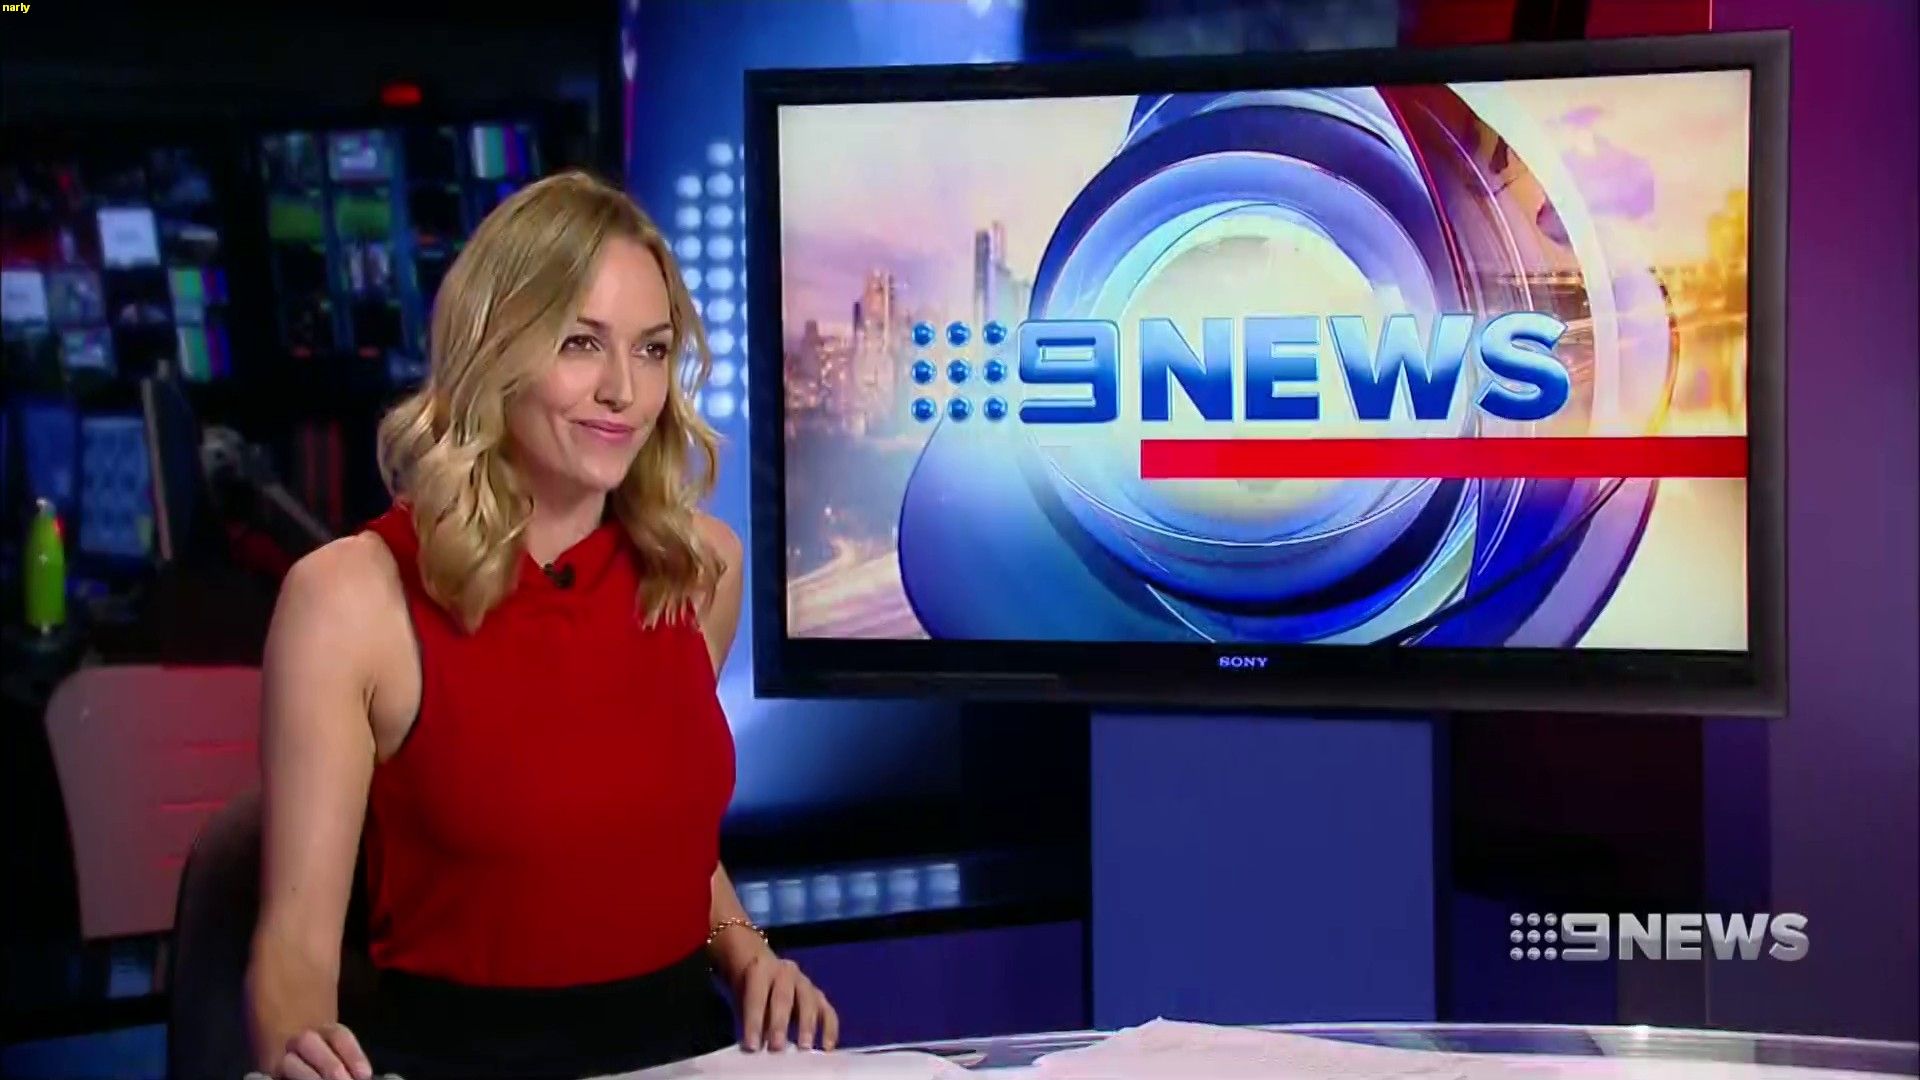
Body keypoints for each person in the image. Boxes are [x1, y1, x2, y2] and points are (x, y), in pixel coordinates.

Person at [245, 170, 837, 1080]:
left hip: (685, 1057)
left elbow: (658, 840)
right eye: (580, 343)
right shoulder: (348, 601)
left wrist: (748, 952)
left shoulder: (698, 569)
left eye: (651, 350)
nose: (623, 390)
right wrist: (301, 1061)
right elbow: (293, 954)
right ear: (496, 350)